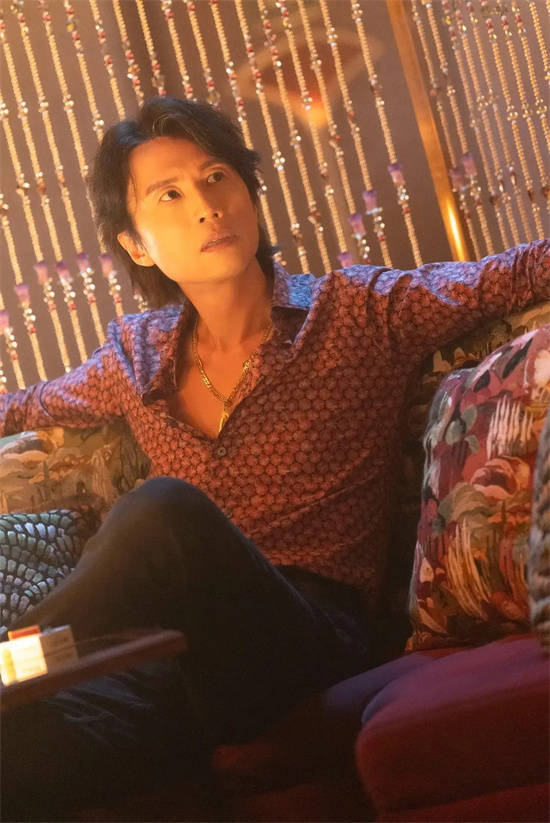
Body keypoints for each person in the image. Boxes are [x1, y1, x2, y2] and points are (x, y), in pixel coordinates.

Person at [0, 95, 549, 821]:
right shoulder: (135, 357)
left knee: (165, 513)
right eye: (170, 195)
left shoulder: (356, 310)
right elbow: (25, 406)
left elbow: (512, 273)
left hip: (312, 637)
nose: (207, 206)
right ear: (136, 245)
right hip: (182, 663)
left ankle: (10, 652)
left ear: (249, 193)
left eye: (216, 177)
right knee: (22, 743)